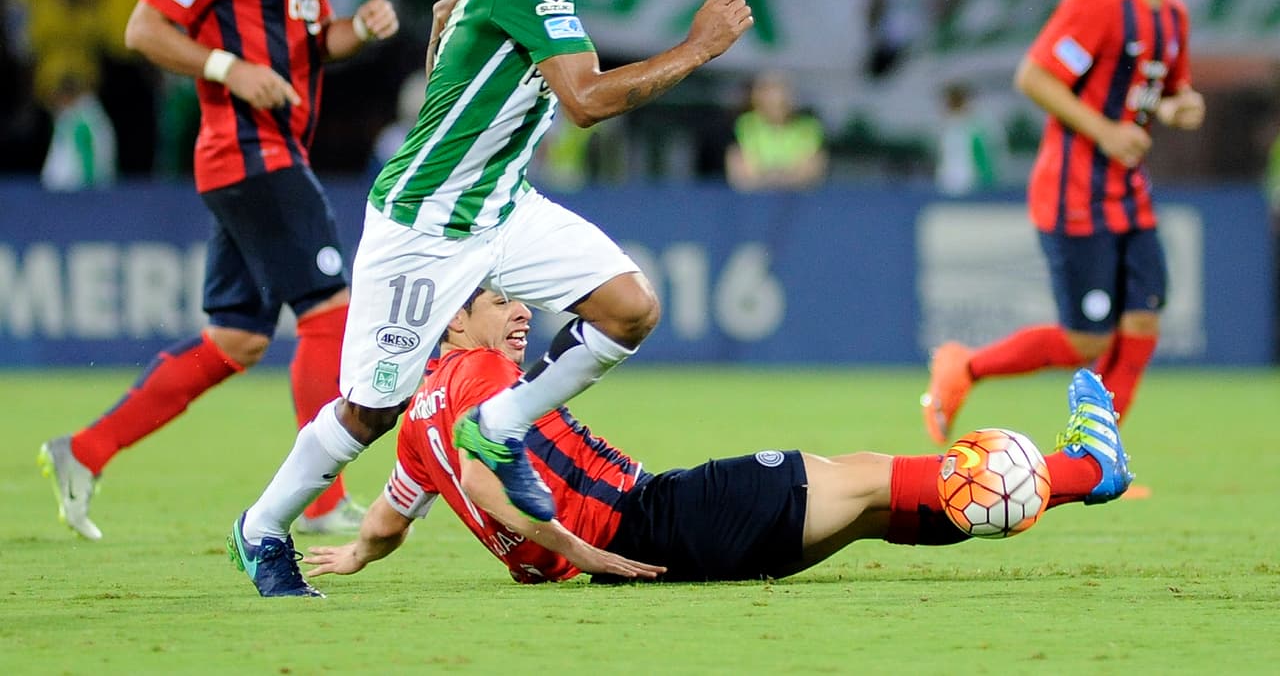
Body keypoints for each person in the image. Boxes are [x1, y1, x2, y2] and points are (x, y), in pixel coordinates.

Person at [229, 0, 753, 597]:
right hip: (425, 225)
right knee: (372, 410)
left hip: (504, 206)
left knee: (630, 307)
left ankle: (498, 423)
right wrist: (700, 47)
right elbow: (586, 102)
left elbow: (453, 6)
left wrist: (453, 40)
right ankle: (260, 527)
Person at [37, 0, 400, 541]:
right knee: (329, 312)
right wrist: (229, 68)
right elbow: (145, 28)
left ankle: (83, 450)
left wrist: (357, 30)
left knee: (237, 339)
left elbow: (312, 44)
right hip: (249, 152)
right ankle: (324, 500)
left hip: (266, 154)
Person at [300, 290, 1132, 588]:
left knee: (873, 500)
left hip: (651, 527)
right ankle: (1085, 467)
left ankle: (1079, 474)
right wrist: (580, 553)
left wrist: (357, 557)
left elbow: (391, 517)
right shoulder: (480, 374)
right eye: (499, 301)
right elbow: (486, 485)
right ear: (454, 324)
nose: (521, 312)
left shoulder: (414, 423)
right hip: (649, 522)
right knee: (861, 476)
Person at [921, 0, 1205, 449]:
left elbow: (1160, 92)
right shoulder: (1098, 3)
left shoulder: (1172, 16)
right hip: (1075, 195)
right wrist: (1105, 131)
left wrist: (1182, 105)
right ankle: (965, 365)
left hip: (1130, 195)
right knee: (1085, 342)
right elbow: (1034, 76)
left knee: (1144, 322)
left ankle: (1099, 455)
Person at [725, 71, 828, 191]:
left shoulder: (809, 127)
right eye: (767, 93)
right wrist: (776, 179)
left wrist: (776, 179)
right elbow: (739, 172)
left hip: (799, 200)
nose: (775, 99)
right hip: (755, 201)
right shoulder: (744, 125)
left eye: (780, 92)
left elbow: (812, 171)